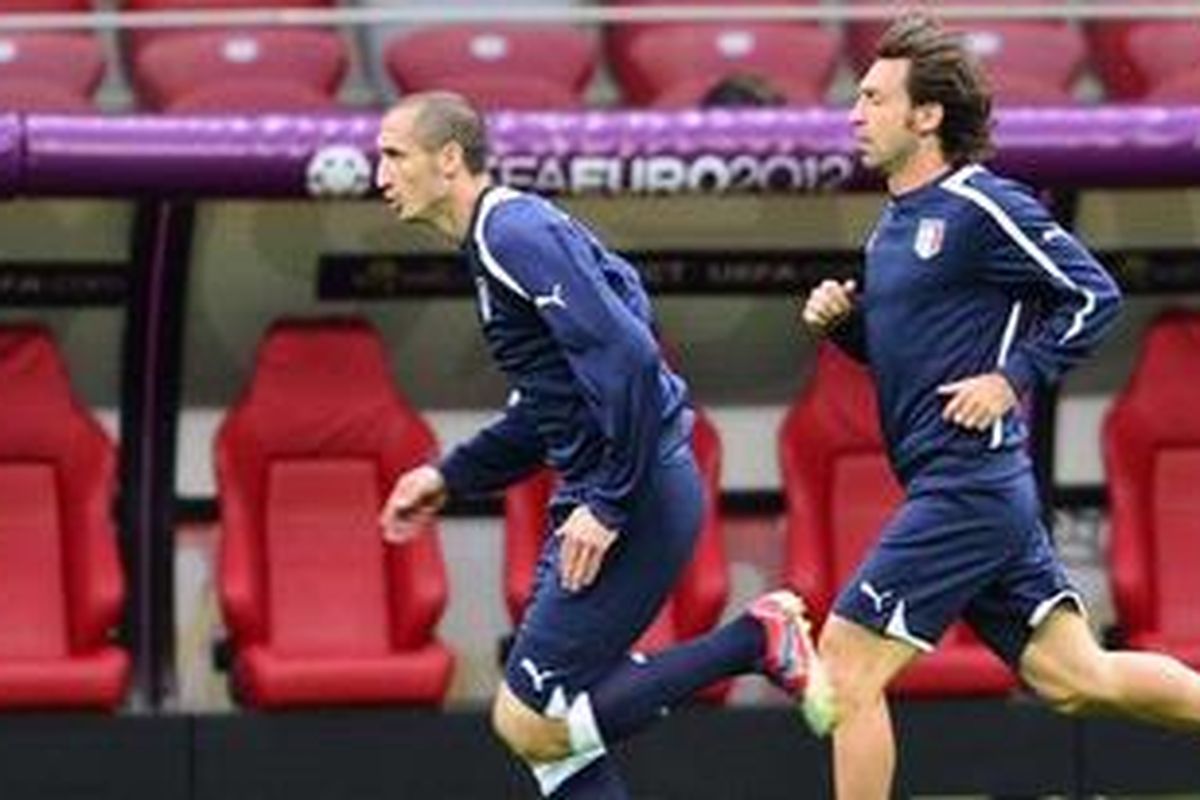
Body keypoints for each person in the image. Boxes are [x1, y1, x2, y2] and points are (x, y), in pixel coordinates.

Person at [375, 91, 833, 799]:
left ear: (448, 159)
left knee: (529, 721)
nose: (379, 175)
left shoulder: (512, 233)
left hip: (633, 492)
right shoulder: (499, 241)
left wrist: (610, 502)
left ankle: (757, 638)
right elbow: (550, 410)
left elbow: (631, 358)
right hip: (618, 485)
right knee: (549, 742)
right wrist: (449, 476)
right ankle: (754, 640)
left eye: (393, 155)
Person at [800, 14, 1200, 799]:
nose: (855, 115)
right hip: (958, 487)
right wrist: (847, 328)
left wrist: (1010, 378)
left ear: (927, 115)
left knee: (845, 664)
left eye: (875, 98)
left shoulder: (982, 204)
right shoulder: (889, 229)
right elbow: (913, 362)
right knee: (1076, 678)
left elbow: (1093, 294)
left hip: (968, 488)